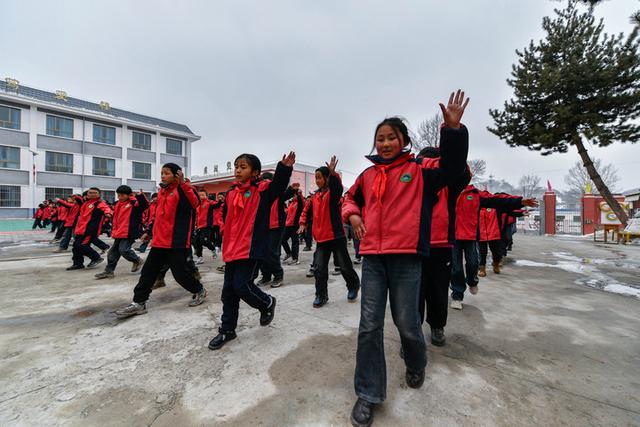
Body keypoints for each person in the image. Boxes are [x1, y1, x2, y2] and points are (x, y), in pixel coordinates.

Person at [343, 90, 470, 427]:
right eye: (380, 139)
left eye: (391, 138)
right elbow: (349, 198)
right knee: (369, 326)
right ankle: (368, 393)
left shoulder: (420, 171)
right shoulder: (367, 176)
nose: (384, 144)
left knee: (407, 323)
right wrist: (354, 215)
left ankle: (416, 363)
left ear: (403, 141)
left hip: (406, 260)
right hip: (372, 259)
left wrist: (453, 131)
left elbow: (454, 168)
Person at [208, 152, 295, 351]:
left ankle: (266, 302)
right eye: (236, 166)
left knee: (241, 285)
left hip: (251, 248)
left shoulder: (262, 190)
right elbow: (225, 215)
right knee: (228, 292)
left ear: (255, 172)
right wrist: (223, 231)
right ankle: (227, 329)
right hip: (232, 248)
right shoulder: (231, 193)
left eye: (243, 167)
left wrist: (284, 168)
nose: (238, 170)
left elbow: (278, 187)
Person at [115, 163, 207, 319]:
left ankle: (199, 290)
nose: (163, 176)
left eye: (166, 173)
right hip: (159, 241)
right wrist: (149, 232)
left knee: (180, 274)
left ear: (177, 174)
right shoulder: (163, 192)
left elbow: (195, 202)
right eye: (162, 173)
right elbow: (158, 216)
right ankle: (139, 303)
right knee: (147, 272)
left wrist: (183, 183)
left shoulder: (183, 190)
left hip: (176, 241)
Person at [450, 187, 536, 309]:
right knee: (456, 267)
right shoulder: (447, 190)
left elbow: (497, 199)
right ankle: (457, 295)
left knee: (473, 263)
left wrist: (519, 201)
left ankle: (472, 281)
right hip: (453, 237)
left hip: (471, 236)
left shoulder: (475, 194)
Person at [299, 158, 360, 308]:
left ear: (327, 178)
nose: (318, 180)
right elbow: (306, 211)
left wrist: (334, 175)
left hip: (336, 236)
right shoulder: (314, 197)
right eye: (316, 178)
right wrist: (302, 223)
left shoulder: (332, 195)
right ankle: (321, 295)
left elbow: (338, 188)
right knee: (319, 269)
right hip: (321, 239)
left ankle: (353, 286)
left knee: (345, 266)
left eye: (320, 177)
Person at [95, 186, 148, 279]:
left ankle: (137, 260)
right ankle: (109, 271)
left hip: (129, 232)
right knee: (112, 252)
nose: (120, 197)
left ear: (128, 195)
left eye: (122, 195)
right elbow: (113, 213)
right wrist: (109, 214)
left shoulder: (133, 203)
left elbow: (145, 205)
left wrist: (140, 196)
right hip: (119, 231)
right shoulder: (117, 204)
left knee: (124, 250)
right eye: (118, 195)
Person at [257, 173, 295, 288]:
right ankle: (266, 276)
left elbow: (286, 195)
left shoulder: (277, 194)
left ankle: (278, 275)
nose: (265, 183)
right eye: (263, 180)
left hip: (276, 226)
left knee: (272, 252)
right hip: (262, 227)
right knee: (261, 252)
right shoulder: (259, 194)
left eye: (268, 180)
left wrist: (292, 189)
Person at [66, 188, 112, 270]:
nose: (92, 194)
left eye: (95, 192)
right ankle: (78, 264)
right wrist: (76, 197)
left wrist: (108, 213)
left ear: (99, 194)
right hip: (81, 229)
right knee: (76, 247)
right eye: (90, 192)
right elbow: (80, 200)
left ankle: (96, 257)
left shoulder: (99, 203)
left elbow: (106, 209)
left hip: (90, 230)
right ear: (87, 194)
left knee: (82, 245)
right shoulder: (86, 203)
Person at [281, 183, 304, 266]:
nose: (293, 197)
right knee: (282, 240)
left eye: (295, 195)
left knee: (295, 242)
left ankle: (295, 259)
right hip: (287, 225)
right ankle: (289, 253)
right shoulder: (291, 204)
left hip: (295, 225)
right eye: (293, 195)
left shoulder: (299, 204)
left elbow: (301, 202)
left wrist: (299, 194)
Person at [193, 188, 217, 264]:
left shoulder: (209, 203)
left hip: (206, 226)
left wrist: (220, 201)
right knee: (196, 242)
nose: (201, 196)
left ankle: (213, 249)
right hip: (199, 226)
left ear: (206, 196)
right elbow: (197, 216)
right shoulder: (197, 205)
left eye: (202, 195)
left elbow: (217, 205)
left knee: (203, 240)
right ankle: (200, 257)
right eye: (199, 195)